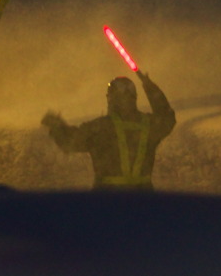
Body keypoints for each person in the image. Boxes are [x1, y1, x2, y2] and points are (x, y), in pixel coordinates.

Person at [42, 71, 175, 190]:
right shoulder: (150, 125)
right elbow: (167, 118)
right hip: (143, 202)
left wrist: (57, 126)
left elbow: (69, 142)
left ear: (111, 99)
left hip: (108, 202)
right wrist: (149, 86)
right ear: (134, 98)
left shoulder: (101, 128)